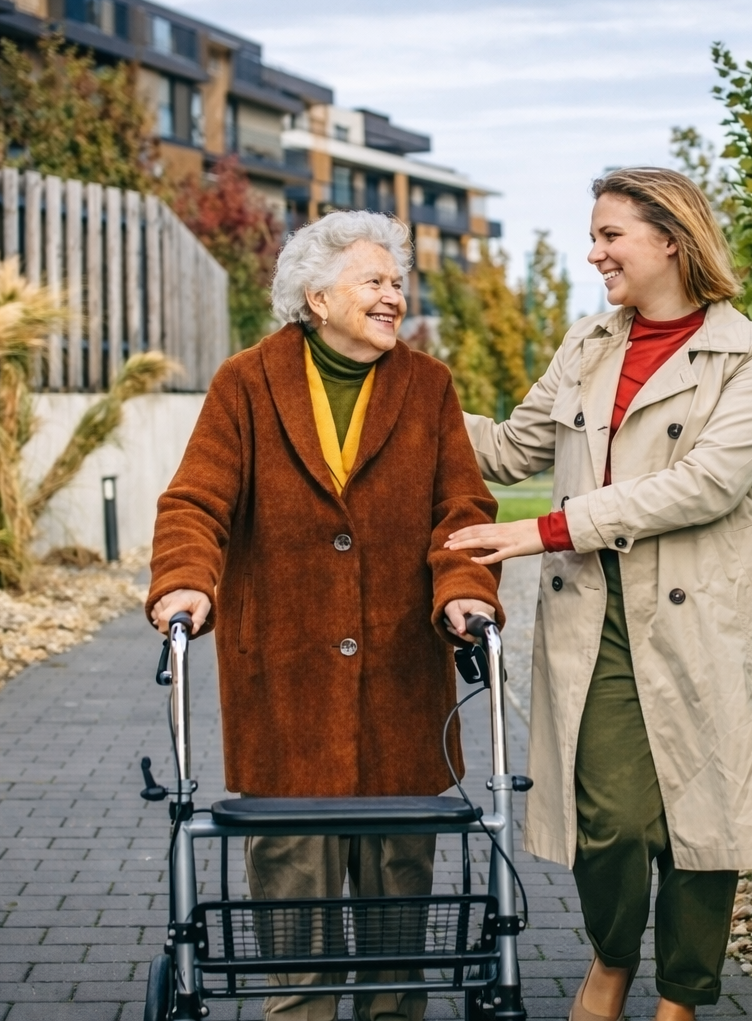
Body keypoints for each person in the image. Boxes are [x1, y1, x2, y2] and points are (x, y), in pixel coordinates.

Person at [445, 168, 752, 1021]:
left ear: (672, 240)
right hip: (597, 608)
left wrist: (546, 529)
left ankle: (682, 996)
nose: (595, 252)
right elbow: (509, 450)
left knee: (705, 810)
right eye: (596, 234)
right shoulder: (588, 343)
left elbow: (707, 485)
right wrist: (409, 391)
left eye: (610, 235)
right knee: (609, 818)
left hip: (712, 608)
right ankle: (613, 955)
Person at [147, 210, 503, 1021]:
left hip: (402, 694)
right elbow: (197, 499)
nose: (393, 296)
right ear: (316, 296)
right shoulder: (247, 381)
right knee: (293, 925)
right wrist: (184, 580)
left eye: (396, 283)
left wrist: (464, 589)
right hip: (287, 690)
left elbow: (460, 507)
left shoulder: (428, 384)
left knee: (397, 933)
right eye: (374, 282)